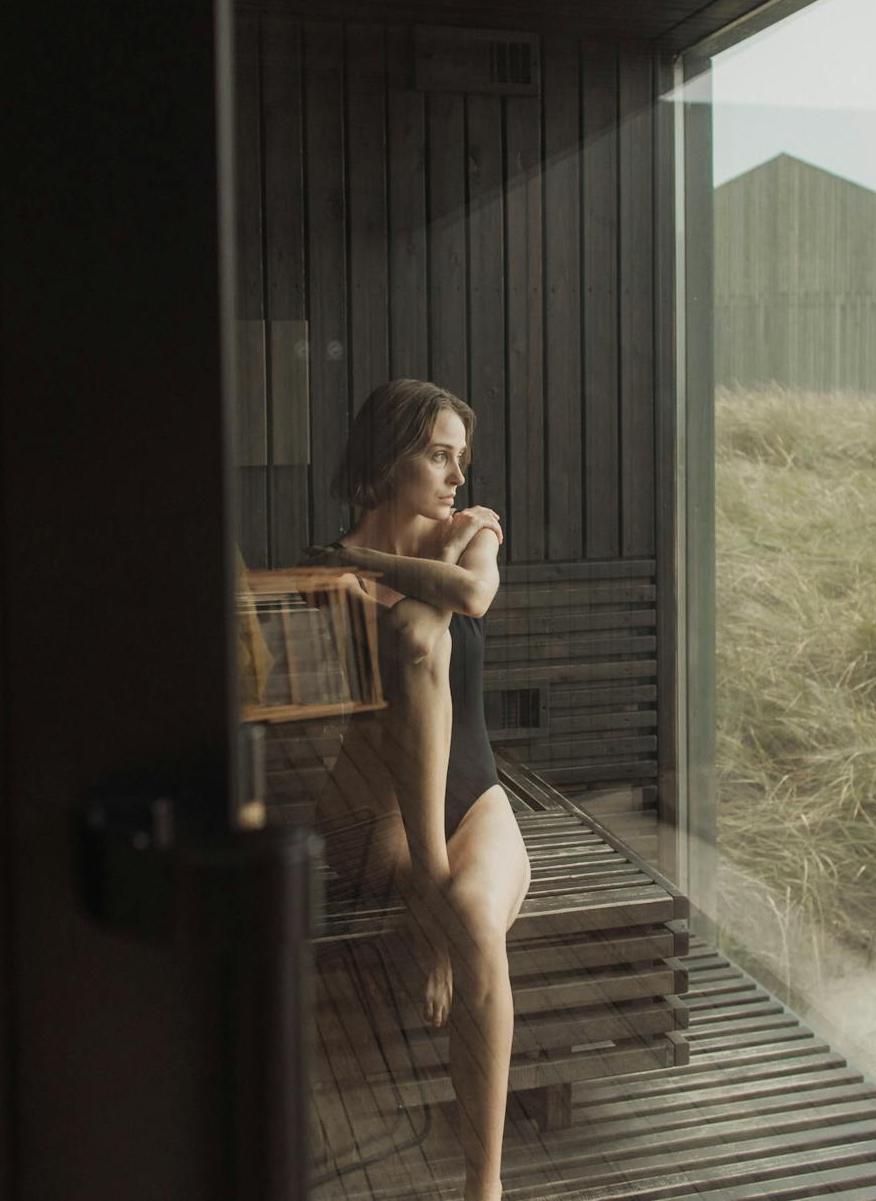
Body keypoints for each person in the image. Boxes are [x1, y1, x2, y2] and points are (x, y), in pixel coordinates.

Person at [308, 378, 530, 1201]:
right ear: (389, 457)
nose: (457, 477)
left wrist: (377, 562)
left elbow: (465, 597)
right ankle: (435, 890)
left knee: (473, 919)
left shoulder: (473, 533)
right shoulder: (325, 575)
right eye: (439, 455)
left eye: (460, 458)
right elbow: (396, 647)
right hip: (376, 811)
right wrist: (382, 576)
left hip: (476, 798)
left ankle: (484, 1187)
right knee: (416, 644)